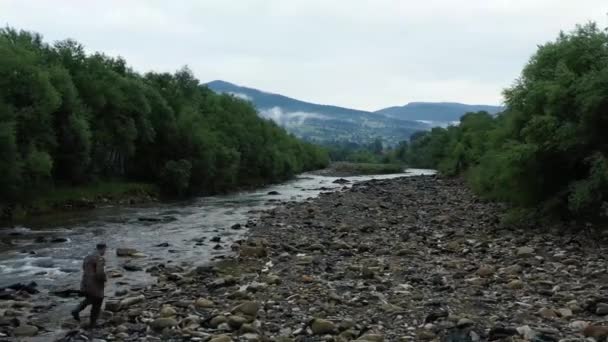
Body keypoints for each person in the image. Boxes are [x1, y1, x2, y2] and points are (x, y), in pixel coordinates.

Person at [72, 243, 107, 328]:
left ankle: (77, 309)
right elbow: (99, 273)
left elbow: (83, 268)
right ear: (103, 249)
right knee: (98, 300)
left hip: (85, 283)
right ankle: (93, 323)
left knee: (91, 298)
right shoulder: (99, 258)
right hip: (94, 284)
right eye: (105, 250)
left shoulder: (87, 257)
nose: (105, 252)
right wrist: (104, 279)